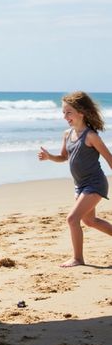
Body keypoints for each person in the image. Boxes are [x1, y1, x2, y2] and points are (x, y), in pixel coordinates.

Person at [38, 91, 112, 268]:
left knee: (72, 219)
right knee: (89, 221)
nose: (65, 117)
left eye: (68, 112)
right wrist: (49, 157)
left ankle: (78, 258)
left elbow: (110, 159)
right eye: (63, 112)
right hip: (80, 185)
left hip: (95, 184)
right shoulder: (67, 134)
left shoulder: (91, 136)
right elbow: (64, 157)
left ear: (81, 112)